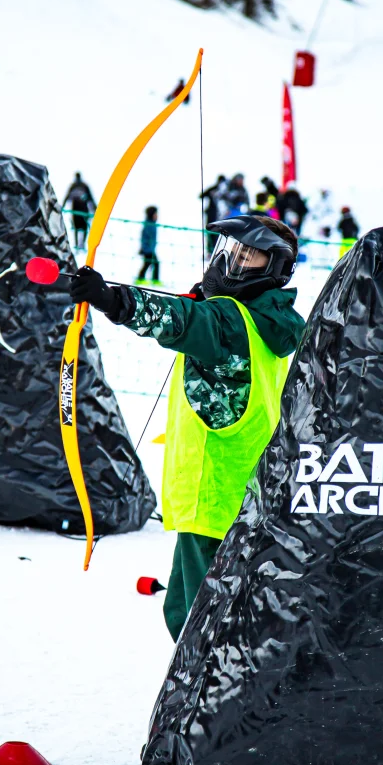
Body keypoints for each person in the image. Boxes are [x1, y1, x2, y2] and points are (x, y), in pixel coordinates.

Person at [70, 215, 306, 641]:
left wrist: (112, 300)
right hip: (245, 494)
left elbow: (178, 318)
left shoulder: (231, 323)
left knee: (202, 625)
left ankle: (209, 702)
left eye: (246, 257)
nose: (230, 263)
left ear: (272, 269)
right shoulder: (266, 320)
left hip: (215, 499)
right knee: (189, 609)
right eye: (229, 252)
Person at [62, 172, 96, 250]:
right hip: (75, 210)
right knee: (76, 228)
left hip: (84, 210)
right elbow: (67, 197)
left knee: (84, 228)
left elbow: (90, 198)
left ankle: (82, 244)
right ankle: (77, 244)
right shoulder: (73, 186)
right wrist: (62, 206)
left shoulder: (84, 186)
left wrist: (95, 209)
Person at [200, 175, 227, 254]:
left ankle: (215, 251)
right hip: (212, 214)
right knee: (211, 232)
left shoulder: (224, 191)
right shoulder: (214, 189)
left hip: (220, 214)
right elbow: (201, 196)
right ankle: (210, 251)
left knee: (218, 233)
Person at [136, 206, 160, 284]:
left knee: (149, 263)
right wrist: (144, 248)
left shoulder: (152, 224)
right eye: (155, 214)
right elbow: (145, 238)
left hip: (150, 249)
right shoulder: (148, 225)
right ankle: (151, 280)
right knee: (152, 263)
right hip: (148, 250)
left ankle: (143, 278)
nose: (157, 216)